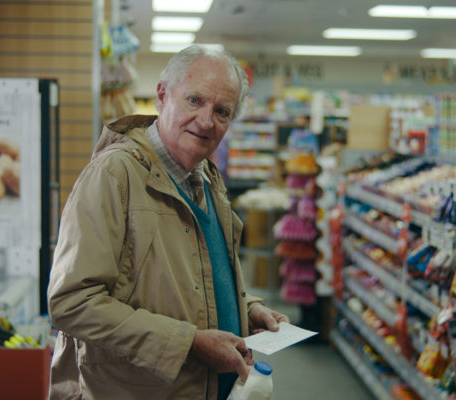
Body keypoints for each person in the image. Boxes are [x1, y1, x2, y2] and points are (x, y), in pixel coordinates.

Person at [47, 44, 289, 399]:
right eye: (195, 101)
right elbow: (72, 302)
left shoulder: (205, 177)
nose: (206, 121)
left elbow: (192, 274)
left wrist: (246, 307)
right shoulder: (115, 175)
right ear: (162, 95)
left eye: (221, 111)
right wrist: (189, 342)